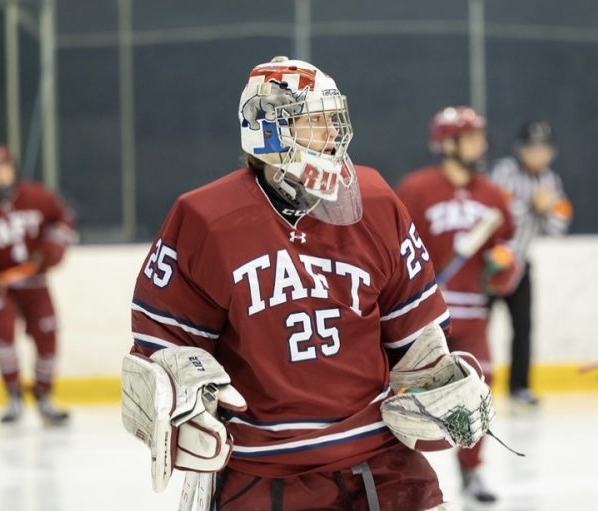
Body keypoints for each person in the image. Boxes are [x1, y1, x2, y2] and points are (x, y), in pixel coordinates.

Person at [121, 57, 496, 511]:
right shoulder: (206, 220)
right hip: (265, 471)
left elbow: (415, 336)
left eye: (334, 120)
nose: (333, 135)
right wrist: (185, 398)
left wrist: (439, 376)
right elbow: (160, 347)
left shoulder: (376, 202)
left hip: (381, 464)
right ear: (269, 129)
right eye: (315, 122)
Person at [396, 106, 518, 505]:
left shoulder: (492, 195)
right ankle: (404, 475)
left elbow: (502, 248)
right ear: (448, 143)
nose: (480, 143)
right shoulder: (415, 189)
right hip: (426, 317)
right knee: (411, 394)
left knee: (478, 391)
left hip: (474, 313)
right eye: (471, 136)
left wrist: (502, 264)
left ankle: (472, 470)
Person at [0, 143, 76, 425]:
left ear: (13, 169)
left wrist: (55, 244)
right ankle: (13, 396)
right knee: (4, 335)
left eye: (4, 168)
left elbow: (64, 221)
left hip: (35, 281)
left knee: (48, 334)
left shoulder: (37, 196)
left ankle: (44, 396)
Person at [488, 121, 572, 407]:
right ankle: (471, 385)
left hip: (520, 267)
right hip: (490, 263)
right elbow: (499, 213)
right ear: (521, 150)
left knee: (523, 327)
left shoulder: (551, 181)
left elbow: (558, 227)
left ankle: (520, 387)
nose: (539, 155)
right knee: (477, 325)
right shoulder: (504, 172)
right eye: (533, 148)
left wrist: (545, 210)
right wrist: (533, 206)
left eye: (544, 149)